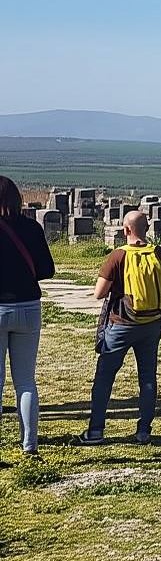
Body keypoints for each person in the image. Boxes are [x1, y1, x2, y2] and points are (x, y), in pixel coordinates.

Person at [80, 210, 161, 444]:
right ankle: (144, 431)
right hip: (152, 323)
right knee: (147, 377)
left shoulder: (118, 256)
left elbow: (99, 293)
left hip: (121, 323)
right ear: (148, 229)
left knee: (104, 377)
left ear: (126, 230)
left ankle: (95, 431)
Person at [0, 176, 56, 456]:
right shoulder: (32, 228)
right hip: (28, 307)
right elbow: (47, 270)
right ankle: (29, 445)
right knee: (25, 382)